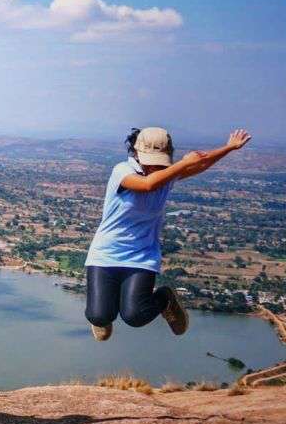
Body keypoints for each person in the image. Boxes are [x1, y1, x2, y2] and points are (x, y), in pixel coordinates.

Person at [84, 126, 252, 341]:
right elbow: (147, 185)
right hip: (106, 253)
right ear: (137, 153)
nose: (155, 166)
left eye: (159, 162)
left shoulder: (166, 175)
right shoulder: (122, 171)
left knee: (136, 316)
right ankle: (102, 317)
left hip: (141, 256)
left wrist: (229, 148)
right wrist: (183, 163)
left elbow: (201, 163)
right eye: (151, 161)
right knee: (98, 315)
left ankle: (165, 299)